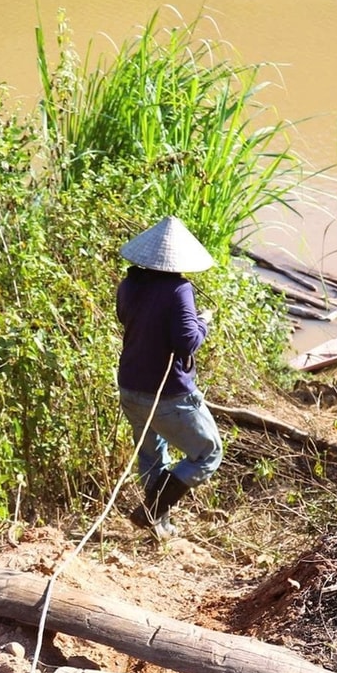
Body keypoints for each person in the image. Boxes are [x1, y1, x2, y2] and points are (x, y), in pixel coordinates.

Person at [115, 216, 223, 536]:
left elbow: (126, 318)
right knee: (208, 454)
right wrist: (203, 322)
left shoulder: (129, 284)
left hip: (130, 387)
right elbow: (187, 341)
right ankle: (152, 511)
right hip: (168, 395)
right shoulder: (179, 288)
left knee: (151, 455)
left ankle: (158, 526)